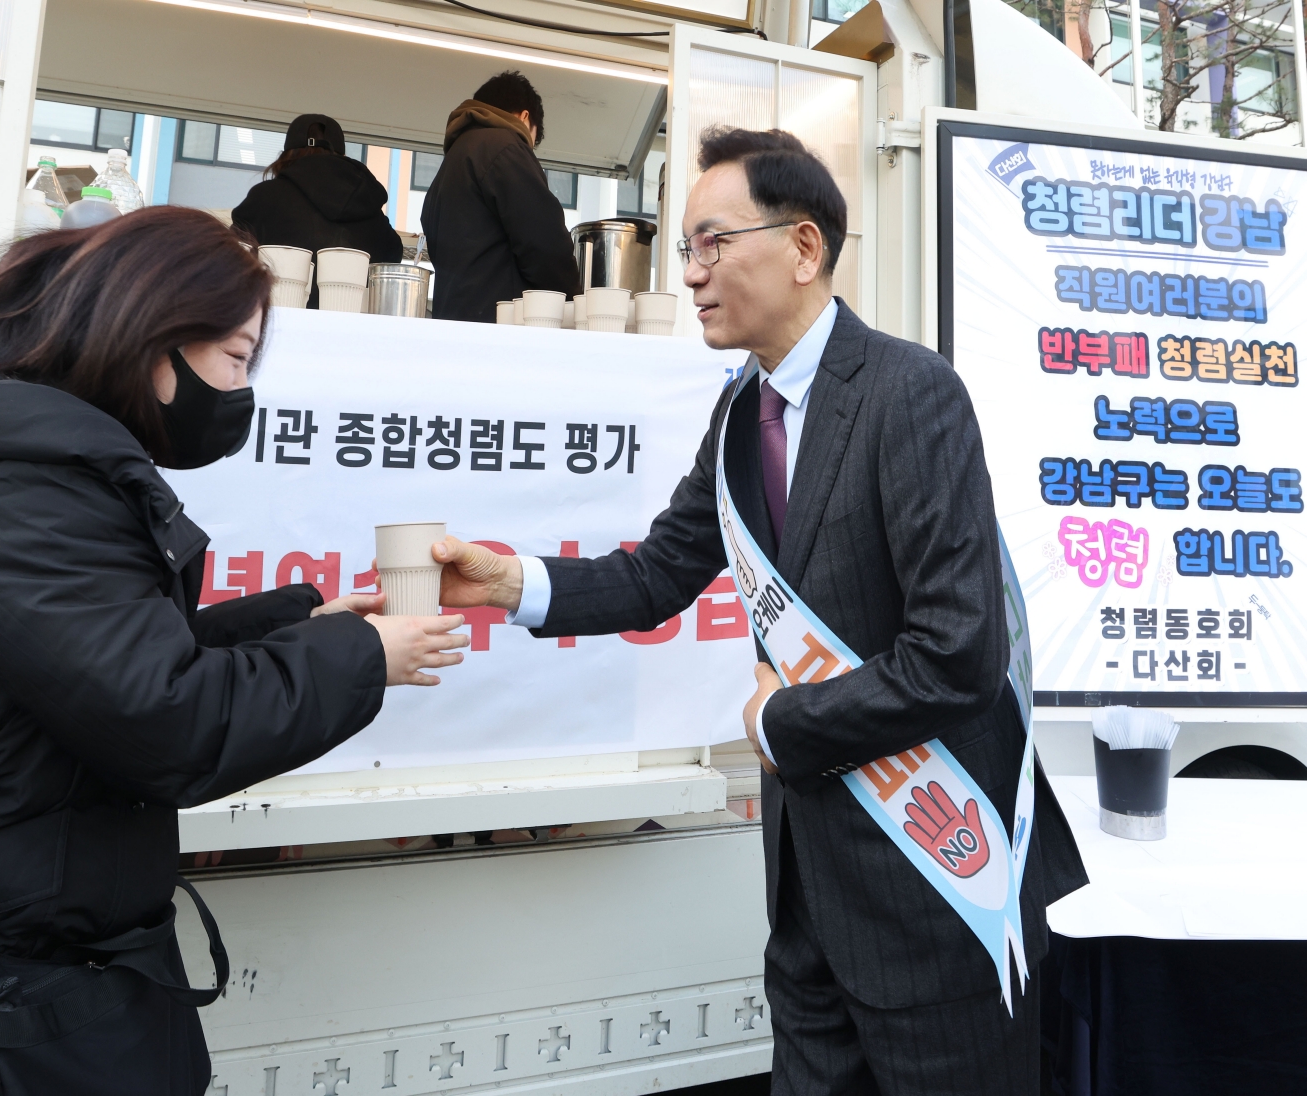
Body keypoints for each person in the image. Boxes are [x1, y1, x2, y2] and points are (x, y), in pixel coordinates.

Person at [0, 207, 466, 1095]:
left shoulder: (29, 462)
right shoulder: (23, 491)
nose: (240, 390)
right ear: (153, 336)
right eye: (234, 359)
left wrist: (319, 623)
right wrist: (366, 656)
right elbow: (168, 718)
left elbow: (106, 663)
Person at [433, 128, 1088, 1093]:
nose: (690, 274)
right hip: (808, 898)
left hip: (940, 894)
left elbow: (956, 656)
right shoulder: (743, 412)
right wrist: (503, 583)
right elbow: (659, 572)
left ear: (805, 247)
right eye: (682, 250)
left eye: (710, 242)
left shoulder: (911, 394)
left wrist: (785, 719)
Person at [421, 70, 580, 323]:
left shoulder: (450, 165)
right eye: (532, 139)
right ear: (525, 117)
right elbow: (543, 242)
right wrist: (575, 303)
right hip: (498, 324)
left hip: (452, 318)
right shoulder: (504, 147)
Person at [231, 113, 404, 307]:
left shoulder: (265, 198)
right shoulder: (367, 204)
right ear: (341, 155)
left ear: (287, 154)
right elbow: (392, 256)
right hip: (352, 328)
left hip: (277, 322)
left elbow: (232, 258)